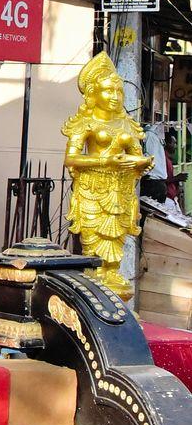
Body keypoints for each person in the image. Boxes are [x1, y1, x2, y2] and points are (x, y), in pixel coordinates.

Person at [63, 51, 152, 298]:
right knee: (94, 249)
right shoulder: (85, 124)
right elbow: (71, 158)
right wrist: (105, 159)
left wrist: (142, 163)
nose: (114, 97)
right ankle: (98, 286)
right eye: (108, 91)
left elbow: (137, 155)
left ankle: (115, 282)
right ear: (93, 94)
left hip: (120, 191)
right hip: (93, 191)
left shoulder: (126, 124)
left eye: (118, 92)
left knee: (116, 247)